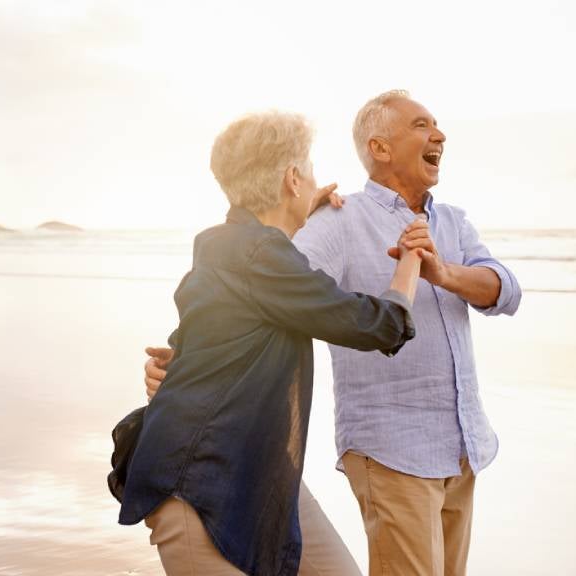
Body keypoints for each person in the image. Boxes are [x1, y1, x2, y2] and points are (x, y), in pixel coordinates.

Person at [147, 91, 522, 575]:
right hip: (389, 449)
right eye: (421, 124)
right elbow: (259, 293)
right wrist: (185, 364)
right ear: (380, 148)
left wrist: (445, 272)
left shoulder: (451, 221)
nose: (439, 134)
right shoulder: (336, 223)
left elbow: (506, 292)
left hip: (460, 445)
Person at [120, 111, 425, 576]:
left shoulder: (234, 251)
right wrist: (409, 263)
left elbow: (209, 333)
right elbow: (375, 325)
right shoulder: (259, 256)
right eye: (310, 172)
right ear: (293, 178)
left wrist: (177, 365)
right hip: (198, 485)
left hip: (258, 473)